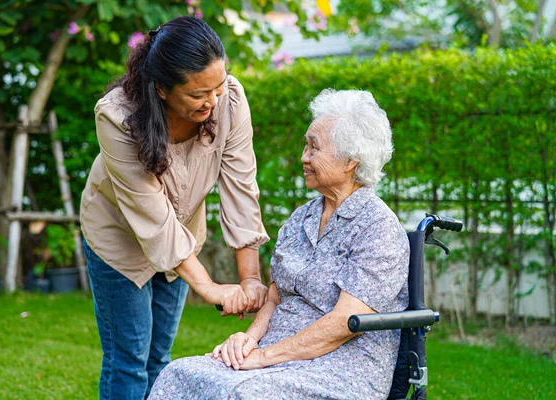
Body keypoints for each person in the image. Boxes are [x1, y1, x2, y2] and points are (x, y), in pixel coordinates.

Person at [148, 89, 410, 400]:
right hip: (278, 355)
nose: (303, 156)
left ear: (351, 161)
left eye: (314, 148)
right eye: (305, 145)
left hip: (341, 367)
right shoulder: (303, 218)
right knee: (178, 374)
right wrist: (248, 341)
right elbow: (274, 297)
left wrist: (264, 357)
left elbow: (344, 323)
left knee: (243, 393)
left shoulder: (377, 227)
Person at [80, 16, 270, 400]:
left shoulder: (228, 99)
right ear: (162, 89)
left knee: (160, 359)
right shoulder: (117, 116)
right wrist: (211, 288)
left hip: (183, 240)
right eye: (199, 93)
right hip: (119, 241)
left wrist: (249, 278)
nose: (213, 101)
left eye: (218, 86)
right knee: (129, 360)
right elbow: (153, 218)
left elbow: (240, 188)